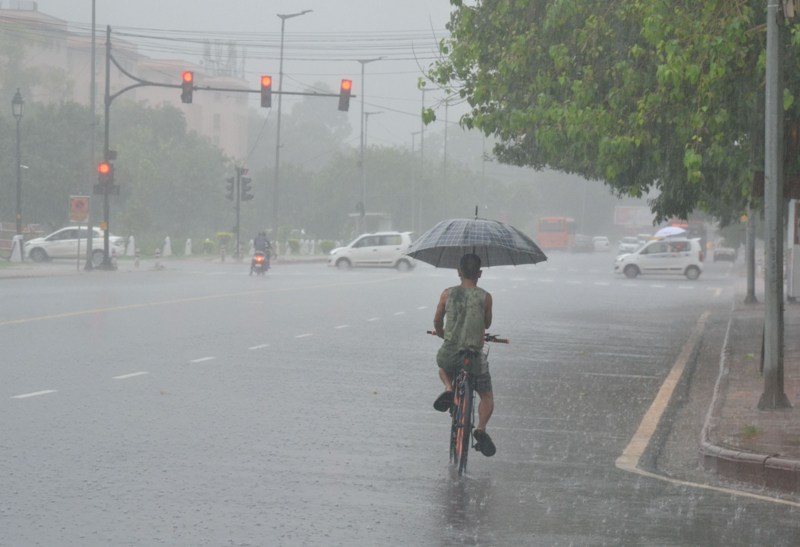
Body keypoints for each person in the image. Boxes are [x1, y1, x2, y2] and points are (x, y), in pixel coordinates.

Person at [432, 253, 496, 457]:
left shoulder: (447, 294)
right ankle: (481, 429)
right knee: (485, 393)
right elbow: (487, 324)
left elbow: (437, 320)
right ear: (480, 273)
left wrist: (444, 335)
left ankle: (449, 388)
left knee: (442, 365)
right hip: (474, 358)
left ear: (459, 272)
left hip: (450, 353)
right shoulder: (486, 297)